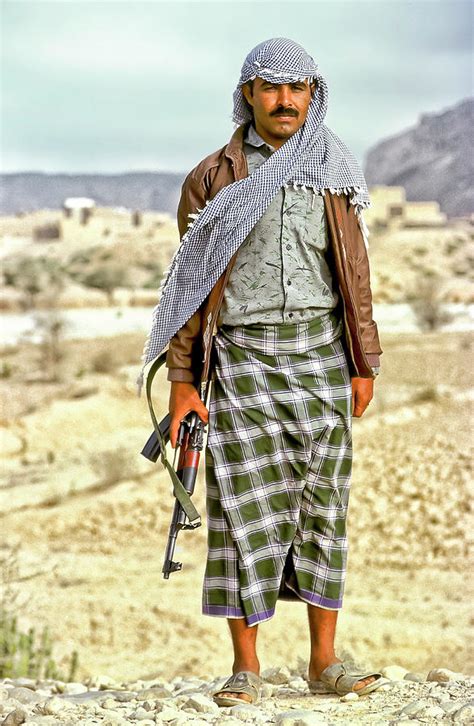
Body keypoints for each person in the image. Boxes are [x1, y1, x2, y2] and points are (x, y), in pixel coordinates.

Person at [138, 37, 385, 705]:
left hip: (321, 356)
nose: (284, 100)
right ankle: (245, 668)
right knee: (243, 511)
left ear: (313, 93)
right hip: (241, 359)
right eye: (270, 87)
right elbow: (192, 285)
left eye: (297, 87)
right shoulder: (213, 177)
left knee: (323, 508)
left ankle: (324, 661)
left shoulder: (334, 168)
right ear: (247, 93)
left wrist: (364, 360)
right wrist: (185, 383)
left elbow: (353, 276)